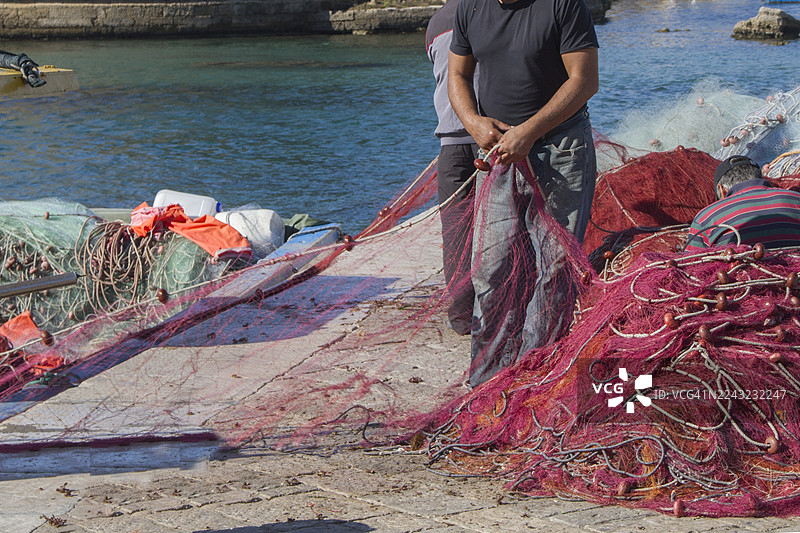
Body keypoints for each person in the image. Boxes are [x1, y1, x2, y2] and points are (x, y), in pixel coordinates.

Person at [448, 0, 599, 386]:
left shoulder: (562, 5)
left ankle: (538, 375)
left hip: (559, 150)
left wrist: (528, 132)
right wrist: (473, 123)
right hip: (498, 153)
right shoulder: (470, 8)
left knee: (556, 267)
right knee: (491, 269)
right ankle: (487, 380)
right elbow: (458, 75)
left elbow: (584, 80)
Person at [425, 0, 478, 336]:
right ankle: (504, 306)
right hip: (489, 135)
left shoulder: (434, 24)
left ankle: (461, 317)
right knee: (504, 227)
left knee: (456, 232)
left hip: (450, 143)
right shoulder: (487, 12)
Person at [686, 155, 800, 252]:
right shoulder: (797, 199)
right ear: (762, 177)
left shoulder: (705, 218)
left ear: (722, 190)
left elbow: (691, 265)